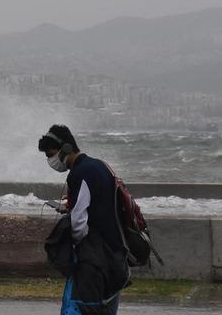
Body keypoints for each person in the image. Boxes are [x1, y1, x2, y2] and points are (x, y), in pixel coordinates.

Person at [39, 124, 129, 315]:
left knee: (80, 307)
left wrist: (76, 245)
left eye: (51, 154)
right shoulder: (99, 165)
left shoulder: (79, 173)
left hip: (95, 259)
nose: (50, 160)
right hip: (115, 255)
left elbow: (79, 222)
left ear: (66, 148)